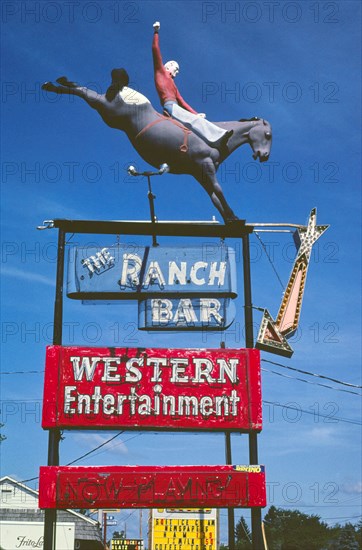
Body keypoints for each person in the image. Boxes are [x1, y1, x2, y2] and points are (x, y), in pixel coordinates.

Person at [152, 21, 233, 150]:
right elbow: (156, 51)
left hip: (176, 107)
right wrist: (156, 32)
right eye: (176, 69)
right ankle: (220, 135)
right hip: (170, 106)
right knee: (195, 121)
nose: (176, 72)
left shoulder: (174, 85)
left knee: (193, 123)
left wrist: (196, 113)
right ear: (168, 67)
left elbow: (183, 102)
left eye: (178, 71)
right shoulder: (160, 72)